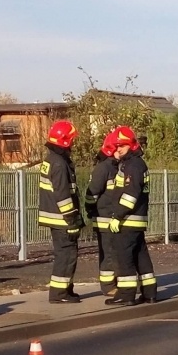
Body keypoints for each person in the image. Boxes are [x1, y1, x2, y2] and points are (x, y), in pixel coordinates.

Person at [106, 126, 157, 306]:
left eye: (122, 146)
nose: (118, 149)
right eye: (116, 146)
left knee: (124, 256)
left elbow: (130, 195)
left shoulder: (133, 165)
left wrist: (117, 216)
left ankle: (126, 295)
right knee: (140, 256)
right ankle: (149, 292)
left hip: (128, 219)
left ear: (131, 145)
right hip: (136, 219)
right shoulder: (134, 163)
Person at [37, 119, 83, 304]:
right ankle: (59, 294)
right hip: (62, 219)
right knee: (67, 255)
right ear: (64, 141)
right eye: (71, 140)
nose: (72, 143)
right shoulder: (59, 164)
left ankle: (65, 290)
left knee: (65, 254)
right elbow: (63, 196)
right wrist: (72, 220)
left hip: (55, 217)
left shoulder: (52, 160)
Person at [84, 131, 120, 296]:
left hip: (112, 218)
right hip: (104, 218)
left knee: (115, 252)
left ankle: (117, 282)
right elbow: (92, 194)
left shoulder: (114, 167)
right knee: (108, 253)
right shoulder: (104, 168)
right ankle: (108, 287)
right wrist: (91, 210)